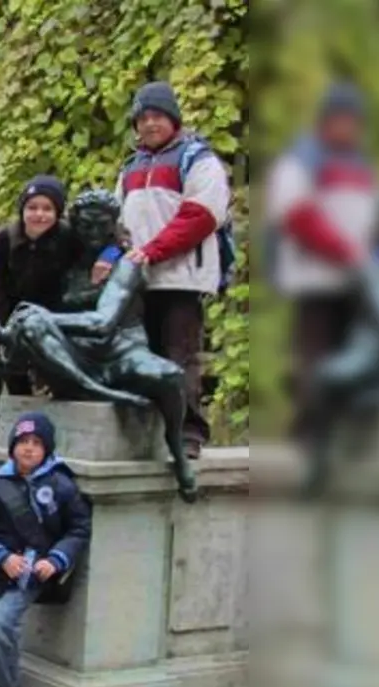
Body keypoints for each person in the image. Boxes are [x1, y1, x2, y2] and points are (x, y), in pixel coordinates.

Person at [117, 82, 235, 458]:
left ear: (173, 118)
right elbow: (117, 221)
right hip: (140, 277)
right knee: (142, 356)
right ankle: (151, 432)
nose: (150, 124)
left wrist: (152, 250)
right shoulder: (131, 167)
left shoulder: (198, 160)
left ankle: (189, 432)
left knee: (179, 356)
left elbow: (200, 216)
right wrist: (115, 255)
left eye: (157, 116)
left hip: (182, 276)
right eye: (143, 118)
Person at [265, 83, 378, 442]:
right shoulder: (303, 158)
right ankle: (311, 429)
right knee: (315, 352)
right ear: (326, 121)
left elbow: (372, 217)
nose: (349, 128)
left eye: (354, 122)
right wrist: (343, 250)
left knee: (350, 352)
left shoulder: (358, 162)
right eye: (342, 120)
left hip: (353, 277)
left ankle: (341, 427)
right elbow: (297, 215)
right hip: (314, 276)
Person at [0, 412, 91, 687]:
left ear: (47, 449)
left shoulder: (61, 485)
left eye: (37, 443)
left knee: (2, 624)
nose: (29, 449)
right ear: (12, 447)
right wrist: (1, 555)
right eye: (23, 442)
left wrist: (57, 558)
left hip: (31, 575)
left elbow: (78, 528)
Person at [0, 176, 121, 441]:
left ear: (57, 212)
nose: (39, 215)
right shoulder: (4, 238)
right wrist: (3, 322)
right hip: (9, 311)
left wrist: (108, 257)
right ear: (22, 209)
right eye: (32, 207)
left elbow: (115, 237)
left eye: (47, 208)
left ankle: (40, 425)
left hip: (52, 315)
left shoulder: (67, 236)